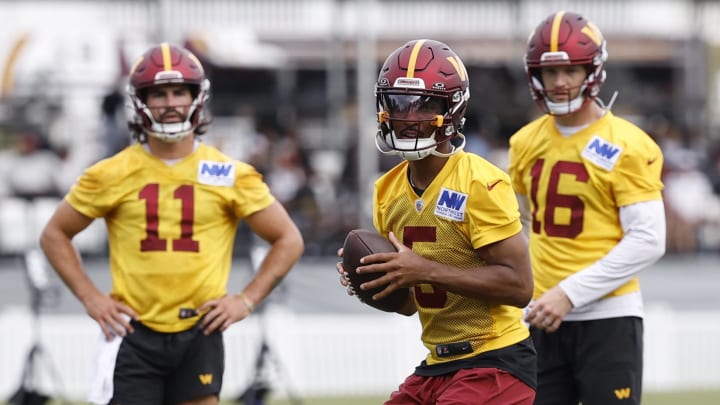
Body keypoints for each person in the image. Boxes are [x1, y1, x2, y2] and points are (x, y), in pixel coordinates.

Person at [39, 43, 304, 405]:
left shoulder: (229, 174)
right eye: (158, 93)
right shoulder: (110, 173)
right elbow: (55, 234)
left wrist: (246, 300)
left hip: (199, 330)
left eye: (179, 91)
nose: (170, 102)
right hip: (134, 331)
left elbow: (288, 239)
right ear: (140, 101)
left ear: (196, 97)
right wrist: (91, 298)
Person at [337, 39, 537, 404]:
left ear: (453, 108)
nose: (409, 117)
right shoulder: (386, 190)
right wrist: (377, 279)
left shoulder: (480, 181)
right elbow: (411, 303)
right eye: (399, 104)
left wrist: (423, 270)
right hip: (438, 362)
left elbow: (520, 287)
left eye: (425, 105)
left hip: (494, 361)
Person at [507, 11, 666, 405]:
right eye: (550, 72)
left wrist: (570, 293)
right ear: (535, 75)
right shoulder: (524, 142)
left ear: (592, 71)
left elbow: (648, 239)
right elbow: (522, 224)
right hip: (541, 316)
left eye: (572, 70)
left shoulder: (629, 143)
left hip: (607, 317)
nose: (560, 83)